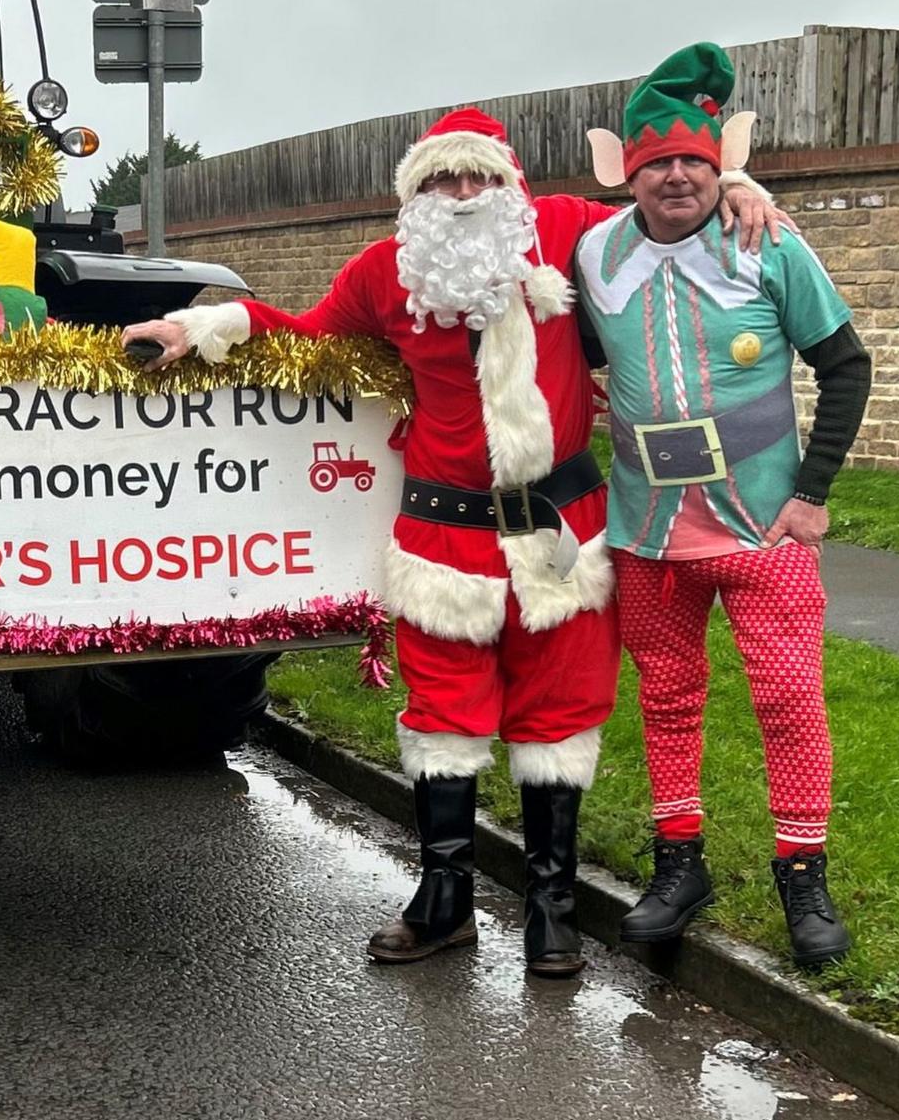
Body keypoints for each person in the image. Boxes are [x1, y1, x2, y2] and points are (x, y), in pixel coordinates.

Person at [123, 108, 783, 976]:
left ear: (510, 185)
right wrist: (199, 327)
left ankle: (551, 907)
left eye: (479, 178)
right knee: (443, 721)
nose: (464, 195)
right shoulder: (384, 272)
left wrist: (732, 185)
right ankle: (445, 901)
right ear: (416, 194)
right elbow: (308, 330)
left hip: (561, 534)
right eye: (443, 180)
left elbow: (663, 219)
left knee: (559, 718)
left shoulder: (564, 229)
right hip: (443, 539)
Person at [576, 43, 872, 969]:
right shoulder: (593, 251)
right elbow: (581, 341)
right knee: (666, 699)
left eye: (695, 162)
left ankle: (803, 875)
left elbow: (845, 365)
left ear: (720, 167)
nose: (675, 177)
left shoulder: (768, 240)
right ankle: (679, 862)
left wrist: (813, 496)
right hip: (647, 530)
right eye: (656, 161)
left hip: (761, 523)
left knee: (789, 702)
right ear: (627, 171)